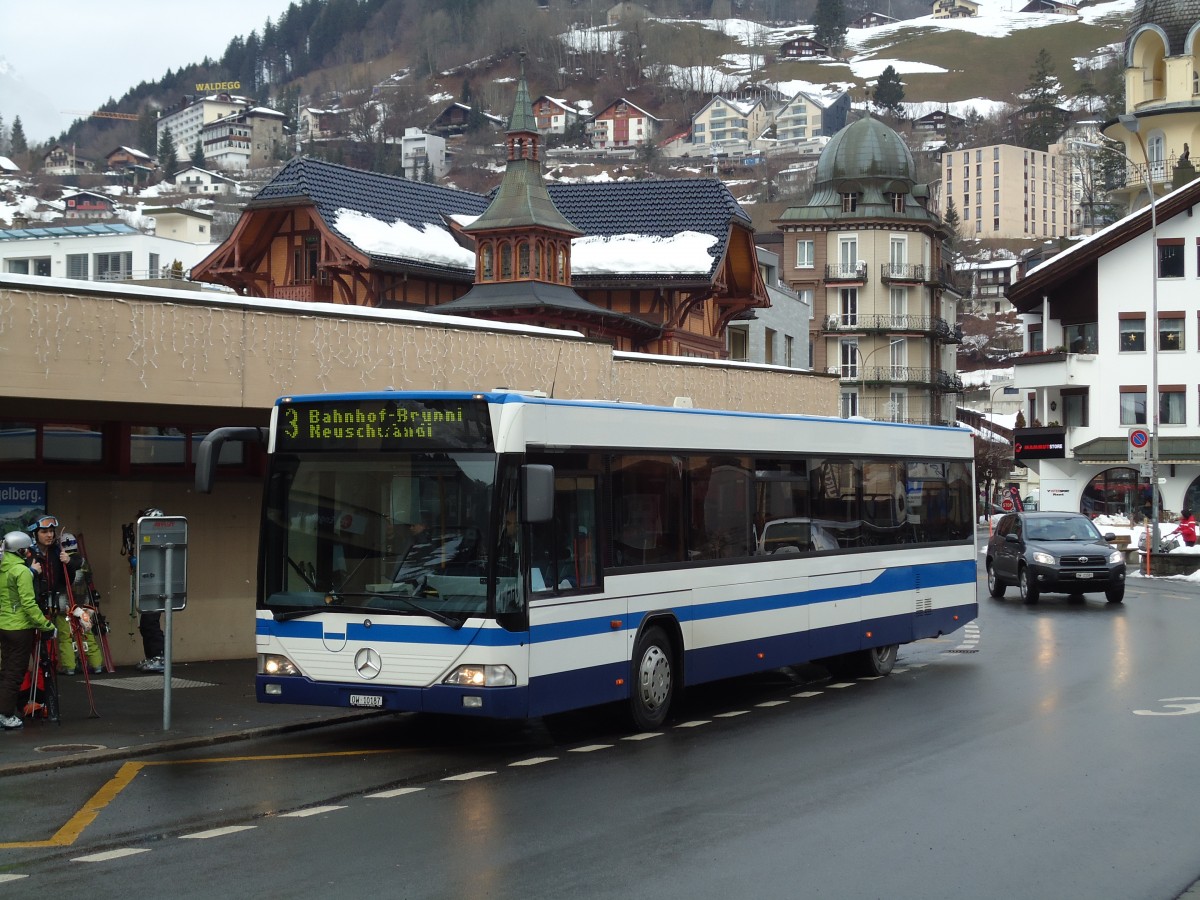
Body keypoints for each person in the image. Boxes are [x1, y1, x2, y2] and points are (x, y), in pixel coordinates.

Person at [28, 515, 102, 676]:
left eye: (51, 531)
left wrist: (68, 563)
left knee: (58, 642)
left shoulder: (57, 551)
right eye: (44, 531)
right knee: (37, 646)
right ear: (35, 534)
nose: (49, 535)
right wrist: (31, 572)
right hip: (33, 607)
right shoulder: (28, 554)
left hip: (55, 605)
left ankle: (51, 680)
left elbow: (69, 579)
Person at [1, 531, 57, 730]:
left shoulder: (3, 568)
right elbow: (29, 604)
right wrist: (47, 625)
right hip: (20, 629)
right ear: (21, 549)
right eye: (27, 548)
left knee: (6, 670)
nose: (29, 552)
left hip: (4, 626)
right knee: (15, 674)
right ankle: (5, 715)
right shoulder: (21, 571)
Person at [133, 508, 166, 673]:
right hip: (149, 586)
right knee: (146, 624)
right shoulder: (149, 541)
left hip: (156, 588)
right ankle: (152, 656)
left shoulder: (161, 540)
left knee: (150, 622)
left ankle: (160, 657)